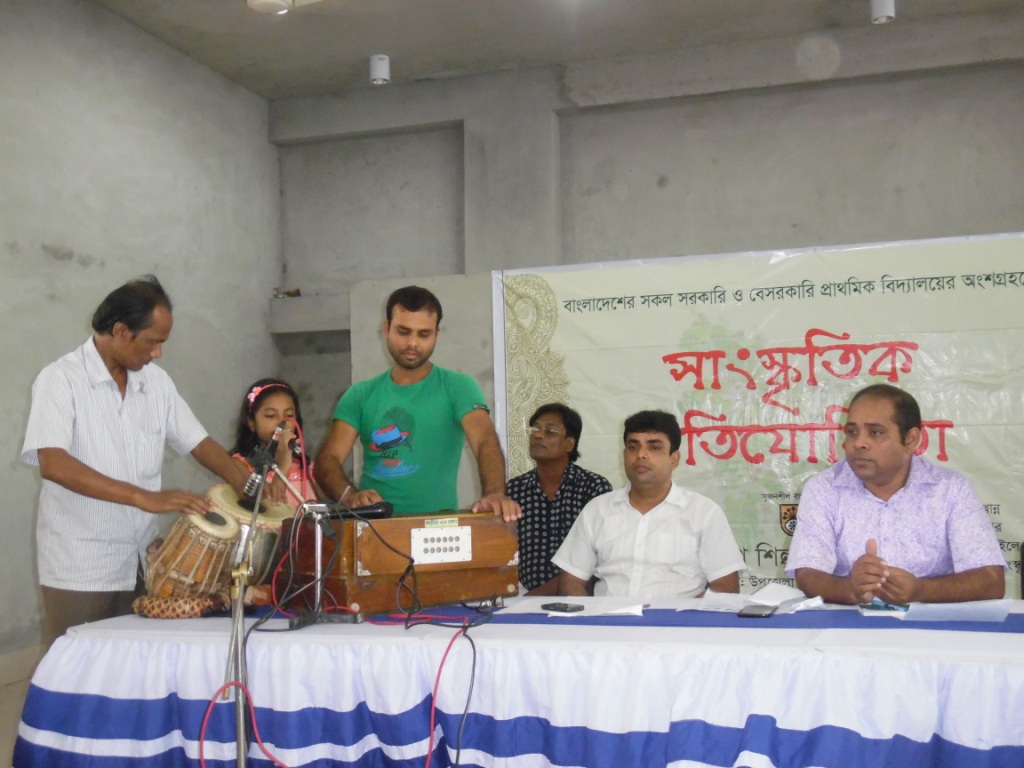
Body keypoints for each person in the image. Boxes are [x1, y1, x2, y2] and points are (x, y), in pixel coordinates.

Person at [21, 275, 250, 646]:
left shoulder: (157, 384)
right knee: (79, 669)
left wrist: (246, 483)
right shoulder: (60, 379)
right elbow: (55, 464)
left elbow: (198, 441)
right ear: (121, 331)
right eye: (153, 342)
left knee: (135, 671)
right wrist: (143, 497)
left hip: (145, 564)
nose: (157, 353)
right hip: (81, 567)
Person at [314, 285, 521, 521]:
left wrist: (494, 493)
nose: (412, 343)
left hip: (438, 528)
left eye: (423, 334)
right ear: (386, 329)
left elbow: (484, 440)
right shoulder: (359, 395)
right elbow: (327, 459)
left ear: (436, 334)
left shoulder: (458, 387)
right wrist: (350, 496)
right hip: (373, 528)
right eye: (403, 332)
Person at [786, 383, 1006, 605]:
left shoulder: (950, 489)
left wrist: (921, 590)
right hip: (849, 622)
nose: (859, 443)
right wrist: (851, 590)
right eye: (852, 432)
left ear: (910, 440)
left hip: (929, 623)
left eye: (875, 432)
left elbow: (991, 580)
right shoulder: (824, 488)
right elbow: (808, 574)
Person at [553, 409, 744, 598]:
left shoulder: (703, 512)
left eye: (654, 447)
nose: (641, 455)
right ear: (624, 455)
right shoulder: (598, 510)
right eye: (633, 447)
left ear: (674, 459)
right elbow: (571, 581)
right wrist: (590, 615)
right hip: (608, 616)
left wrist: (682, 614)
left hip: (679, 618)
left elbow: (725, 587)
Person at [507, 403, 612, 595]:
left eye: (550, 431)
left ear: (569, 444)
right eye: (535, 429)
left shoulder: (594, 488)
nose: (538, 435)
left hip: (579, 595)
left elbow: (601, 558)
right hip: (520, 594)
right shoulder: (514, 490)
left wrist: (535, 597)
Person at [231, 378, 317, 508]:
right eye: (271, 415)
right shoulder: (239, 466)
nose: (282, 423)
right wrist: (282, 466)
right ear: (251, 423)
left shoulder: (305, 466)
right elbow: (265, 509)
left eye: (289, 415)